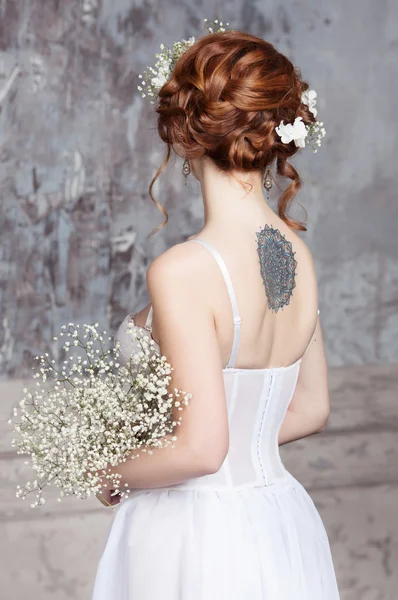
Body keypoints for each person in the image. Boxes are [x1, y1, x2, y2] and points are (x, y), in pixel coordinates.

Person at [92, 22, 340, 600]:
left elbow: (202, 450)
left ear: (182, 136)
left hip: (196, 530)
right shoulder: (298, 254)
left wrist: (111, 472)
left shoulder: (182, 270)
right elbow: (311, 409)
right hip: (279, 518)